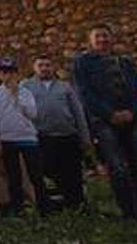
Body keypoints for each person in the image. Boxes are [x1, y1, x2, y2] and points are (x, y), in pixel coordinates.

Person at [72, 25, 137, 222]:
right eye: (98, 36)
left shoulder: (125, 63)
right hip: (104, 122)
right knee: (118, 168)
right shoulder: (83, 63)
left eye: (105, 36)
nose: (102, 40)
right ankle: (129, 213)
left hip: (131, 119)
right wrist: (109, 113)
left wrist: (132, 111)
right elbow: (84, 93)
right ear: (90, 41)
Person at [21, 54, 90, 211]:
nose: (45, 68)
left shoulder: (65, 86)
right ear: (34, 68)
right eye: (41, 65)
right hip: (41, 138)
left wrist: (85, 136)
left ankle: (76, 204)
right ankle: (51, 205)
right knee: (47, 173)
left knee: (72, 173)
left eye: (47, 65)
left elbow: (77, 112)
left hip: (67, 136)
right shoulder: (26, 86)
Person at [0, 57, 49, 216]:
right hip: (7, 139)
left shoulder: (25, 92)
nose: (8, 76)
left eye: (11, 73)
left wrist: (16, 96)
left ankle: (43, 207)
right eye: (4, 73)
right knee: (14, 176)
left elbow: (32, 113)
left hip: (27, 138)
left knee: (36, 174)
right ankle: (18, 207)